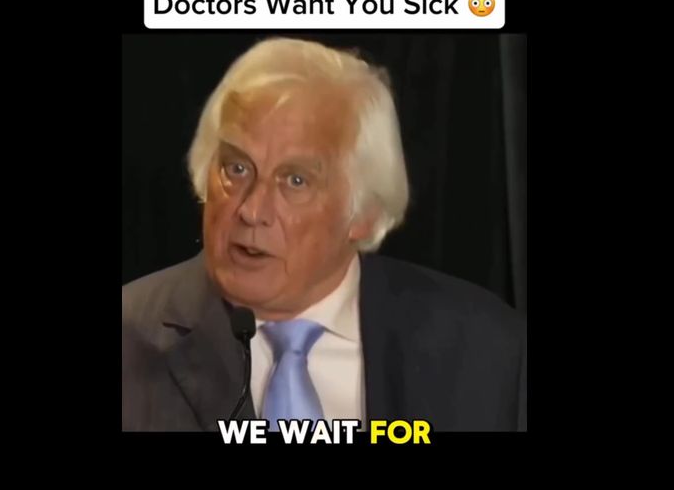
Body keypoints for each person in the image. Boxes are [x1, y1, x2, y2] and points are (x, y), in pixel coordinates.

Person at [122, 37, 526, 431]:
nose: (251, 211)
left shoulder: (485, 348)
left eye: (295, 181)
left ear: (364, 214)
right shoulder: (130, 335)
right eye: (236, 169)